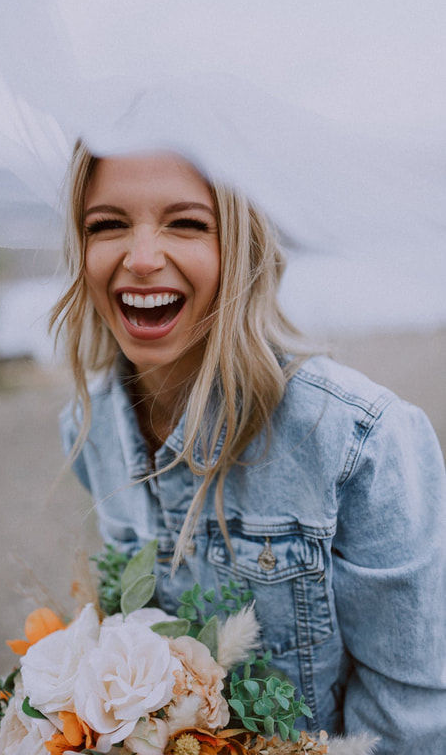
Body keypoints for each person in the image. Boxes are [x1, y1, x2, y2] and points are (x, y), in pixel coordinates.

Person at [51, 141, 446, 753]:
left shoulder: (362, 440)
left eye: (186, 223)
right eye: (108, 225)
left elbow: (410, 725)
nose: (143, 257)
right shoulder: (88, 427)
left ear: (241, 246)